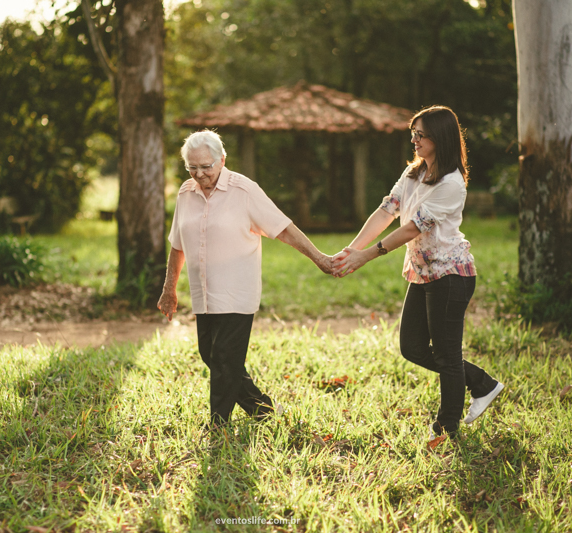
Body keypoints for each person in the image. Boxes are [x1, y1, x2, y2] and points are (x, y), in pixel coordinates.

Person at [333, 105, 504, 445]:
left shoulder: (452, 184)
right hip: (424, 274)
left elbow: (411, 229)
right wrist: (353, 249)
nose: (414, 140)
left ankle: (446, 428)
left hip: (451, 275)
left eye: (420, 135)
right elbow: (387, 212)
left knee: (446, 355)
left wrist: (368, 256)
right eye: (412, 133)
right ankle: (482, 383)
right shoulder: (413, 174)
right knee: (411, 347)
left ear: (439, 138)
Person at [158, 130, 332, 429]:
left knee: (224, 358)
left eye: (206, 166)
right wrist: (169, 289)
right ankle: (261, 408)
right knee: (211, 355)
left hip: (236, 292)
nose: (200, 174)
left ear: (222, 160)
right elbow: (177, 243)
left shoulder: (244, 191)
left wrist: (320, 258)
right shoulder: (186, 193)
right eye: (193, 168)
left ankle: (217, 425)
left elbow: (284, 228)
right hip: (203, 293)